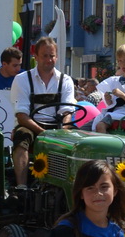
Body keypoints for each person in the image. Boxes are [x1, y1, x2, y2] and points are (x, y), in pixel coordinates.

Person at [10, 39, 76, 188]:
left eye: (52, 56)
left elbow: (67, 111)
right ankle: (22, 186)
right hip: (31, 125)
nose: (49, 60)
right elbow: (21, 115)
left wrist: (61, 132)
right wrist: (43, 133)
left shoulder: (65, 80)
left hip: (58, 126)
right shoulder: (22, 80)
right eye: (44, 56)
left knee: (77, 142)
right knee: (22, 136)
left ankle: (68, 186)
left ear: (57, 57)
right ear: (36, 57)